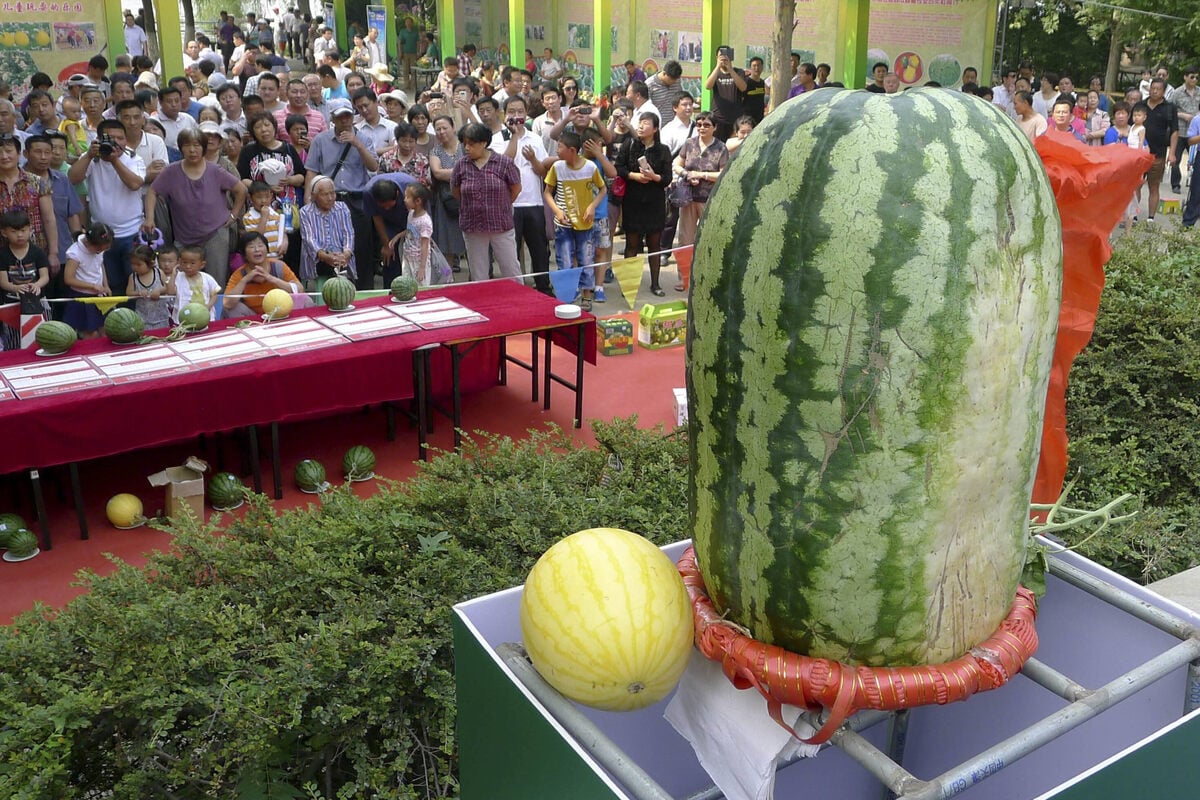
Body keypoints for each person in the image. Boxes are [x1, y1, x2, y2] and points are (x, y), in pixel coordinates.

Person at [147, 128, 246, 284]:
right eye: (187, 145)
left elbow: (241, 190)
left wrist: (233, 215)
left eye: (197, 145)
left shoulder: (215, 171)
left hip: (215, 234)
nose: (192, 150)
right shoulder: (171, 171)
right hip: (184, 237)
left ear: (204, 148)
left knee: (216, 282)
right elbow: (152, 191)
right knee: (182, 281)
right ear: (180, 148)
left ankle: (217, 309)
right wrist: (150, 219)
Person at [305, 100, 381, 289]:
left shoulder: (364, 138)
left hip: (357, 198)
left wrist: (357, 144)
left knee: (361, 246)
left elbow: (373, 166)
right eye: (340, 117)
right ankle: (333, 289)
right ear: (332, 118)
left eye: (348, 116)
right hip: (330, 198)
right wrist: (308, 199)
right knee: (329, 244)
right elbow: (312, 171)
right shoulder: (321, 140)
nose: (345, 121)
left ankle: (364, 289)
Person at [67, 119, 146, 292]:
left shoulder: (134, 158)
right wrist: (88, 155)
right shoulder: (91, 158)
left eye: (121, 138)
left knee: (135, 280)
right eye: (111, 138)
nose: (116, 143)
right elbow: (72, 179)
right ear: (99, 138)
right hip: (101, 234)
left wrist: (114, 160)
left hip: (131, 232)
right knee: (110, 282)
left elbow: (135, 184)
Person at [493, 96, 552, 294]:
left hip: (533, 201)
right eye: (512, 111)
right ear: (504, 114)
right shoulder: (498, 138)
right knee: (511, 250)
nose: (516, 116)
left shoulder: (535, 138)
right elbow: (503, 165)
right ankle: (513, 290)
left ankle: (543, 286)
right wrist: (515, 137)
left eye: (520, 111)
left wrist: (533, 159)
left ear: (526, 113)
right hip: (509, 204)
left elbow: (544, 172)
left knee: (539, 249)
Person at [451, 122, 521, 282]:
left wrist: (501, 205)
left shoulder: (504, 163)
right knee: (478, 271)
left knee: (510, 267)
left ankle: (519, 300)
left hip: (500, 225)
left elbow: (516, 188)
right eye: (464, 143)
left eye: (471, 144)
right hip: (473, 225)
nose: (467, 148)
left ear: (484, 143)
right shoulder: (461, 165)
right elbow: (456, 191)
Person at [543, 131, 605, 309]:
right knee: (565, 261)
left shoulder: (590, 168)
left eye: (560, 147)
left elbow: (602, 190)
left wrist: (592, 206)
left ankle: (586, 294)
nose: (557, 150)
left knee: (586, 259)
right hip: (563, 224)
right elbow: (548, 192)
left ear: (572, 150)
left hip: (585, 224)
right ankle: (566, 296)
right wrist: (557, 211)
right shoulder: (557, 167)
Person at [615, 112, 671, 296]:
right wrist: (634, 176)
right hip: (633, 201)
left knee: (654, 245)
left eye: (646, 123)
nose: (640, 126)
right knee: (632, 245)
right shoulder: (629, 145)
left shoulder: (663, 150)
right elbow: (619, 168)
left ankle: (655, 284)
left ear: (655, 129)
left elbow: (667, 178)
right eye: (640, 123)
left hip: (654, 203)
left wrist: (654, 177)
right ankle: (628, 285)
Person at [672, 111, 728, 292]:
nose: (702, 128)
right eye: (699, 124)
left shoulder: (721, 148)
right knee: (685, 240)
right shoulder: (689, 144)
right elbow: (677, 164)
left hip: (709, 200)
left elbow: (723, 173)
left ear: (715, 127)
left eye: (706, 125)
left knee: (708, 239)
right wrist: (687, 174)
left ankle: (707, 277)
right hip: (688, 198)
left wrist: (702, 175)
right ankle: (684, 278)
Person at [0, 135, 59, 276]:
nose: (4, 156)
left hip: (34, 252)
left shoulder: (36, 182)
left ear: (19, 154)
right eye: (0, 152)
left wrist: (53, 253)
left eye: (9, 151)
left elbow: (49, 219)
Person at [0, 209, 50, 349]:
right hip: (12, 304)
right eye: (14, 232)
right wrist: (15, 288)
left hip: (38, 301)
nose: (20, 235)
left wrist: (37, 285)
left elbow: (45, 276)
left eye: (23, 230)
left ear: (30, 229)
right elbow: (3, 282)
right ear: (4, 233)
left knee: (42, 337)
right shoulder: (3, 255)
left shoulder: (37, 252)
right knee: (14, 341)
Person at [223, 232, 302, 317]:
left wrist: (271, 278)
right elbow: (227, 304)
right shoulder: (239, 274)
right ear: (244, 254)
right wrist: (245, 280)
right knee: (233, 309)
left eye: (260, 245)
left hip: (281, 312)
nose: (257, 249)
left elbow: (300, 289)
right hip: (252, 316)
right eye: (251, 247)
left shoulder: (279, 266)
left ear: (267, 250)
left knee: (306, 300)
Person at [364, 172, 418, 285]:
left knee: (414, 256)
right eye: (383, 207)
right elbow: (377, 218)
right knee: (390, 256)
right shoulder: (368, 192)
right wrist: (386, 245)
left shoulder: (411, 188)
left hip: (412, 220)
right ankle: (390, 289)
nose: (387, 209)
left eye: (389, 205)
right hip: (387, 224)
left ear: (398, 195)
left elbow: (420, 219)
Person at [299, 175, 355, 285]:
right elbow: (308, 239)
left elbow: (348, 233)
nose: (330, 198)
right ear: (314, 196)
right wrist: (324, 256)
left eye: (332, 193)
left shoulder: (342, 208)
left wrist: (346, 253)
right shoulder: (305, 212)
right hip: (317, 259)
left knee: (343, 280)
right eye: (325, 194)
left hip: (341, 257)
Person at [427, 114, 466, 273]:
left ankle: (478, 280)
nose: (442, 132)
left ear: (453, 127)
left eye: (445, 128)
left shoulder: (465, 146)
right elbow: (437, 173)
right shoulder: (435, 151)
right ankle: (447, 281)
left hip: (469, 199)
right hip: (446, 201)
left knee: (473, 243)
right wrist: (464, 171)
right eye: (438, 129)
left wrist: (449, 172)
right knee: (446, 245)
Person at [62, 222, 114, 337]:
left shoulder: (99, 249)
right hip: (82, 297)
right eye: (99, 249)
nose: (100, 251)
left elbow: (100, 265)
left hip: (99, 295)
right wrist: (91, 286)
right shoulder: (74, 253)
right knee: (91, 334)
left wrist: (106, 285)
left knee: (106, 330)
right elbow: (68, 279)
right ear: (90, 242)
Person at [1141, 78, 1178, 224]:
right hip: (1139, 154)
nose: (1154, 91)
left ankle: (1150, 217)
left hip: (1159, 153)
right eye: (1152, 88)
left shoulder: (1170, 108)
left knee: (1154, 185)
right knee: (1135, 184)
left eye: (1158, 89)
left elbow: (1175, 131)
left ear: (1164, 91)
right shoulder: (1141, 105)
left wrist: (1173, 153)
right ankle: (1134, 216)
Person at [398, 182, 437, 284]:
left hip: (418, 260)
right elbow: (410, 230)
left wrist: (422, 267)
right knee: (407, 284)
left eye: (407, 197)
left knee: (420, 287)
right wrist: (397, 237)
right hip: (408, 257)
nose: (404, 200)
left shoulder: (425, 221)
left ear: (418, 201)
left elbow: (425, 245)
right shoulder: (411, 214)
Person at [126, 244, 171, 329]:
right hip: (142, 320)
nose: (135, 267)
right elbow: (128, 292)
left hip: (161, 319)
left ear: (151, 263)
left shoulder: (159, 273)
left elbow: (168, 288)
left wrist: (159, 290)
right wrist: (138, 293)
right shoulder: (133, 277)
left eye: (138, 265)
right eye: (132, 264)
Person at [172, 244, 220, 322]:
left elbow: (214, 294)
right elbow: (170, 292)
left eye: (192, 263)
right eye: (184, 262)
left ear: (202, 264)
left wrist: (209, 306)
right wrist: (173, 275)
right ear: (180, 262)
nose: (188, 266)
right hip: (184, 316)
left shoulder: (207, 278)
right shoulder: (178, 277)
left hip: (204, 315)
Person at [706, 46, 746, 140]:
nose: (724, 58)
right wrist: (718, 66)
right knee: (717, 146)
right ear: (717, 57)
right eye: (721, 56)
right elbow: (708, 86)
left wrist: (730, 69)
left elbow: (743, 87)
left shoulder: (738, 72)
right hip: (718, 118)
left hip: (735, 118)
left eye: (726, 55)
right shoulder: (715, 73)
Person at [242, 179, 288, 259]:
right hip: (260, 259)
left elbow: (283, 233)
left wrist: (285, 242)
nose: (263, 200)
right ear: (250, 198)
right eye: (259, 197)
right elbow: (256, 237)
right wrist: (264, 217)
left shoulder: (275, 214)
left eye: (267, 197)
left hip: (277, 257)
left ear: (271, 196)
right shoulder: (248, 217)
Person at [1170, 67, 1199, 192]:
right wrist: (1182, 115)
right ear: (1185, 77)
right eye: (1192, 76)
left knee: (1196, 159)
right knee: (1176, 159)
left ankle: (1195, 184)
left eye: (1197, 77)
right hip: (1181, 130)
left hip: (1196, 132)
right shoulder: (1177, 92)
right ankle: (1176, 184)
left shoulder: (1199, 91)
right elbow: (1170, 110)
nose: (1195, 79)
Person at [742, 57, 766, 124]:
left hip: (759, 118)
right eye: (754, 65)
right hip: (747, 118)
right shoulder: (746, 82)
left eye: (758, 65)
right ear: (750, 68)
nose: (756, 68)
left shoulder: (762, 82)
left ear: (762, 67)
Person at [398, 17, 420, 86]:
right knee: (405, 70)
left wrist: (418, 51)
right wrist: (400, 52)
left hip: (413, 53)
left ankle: (413, 84)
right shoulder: (402, 31)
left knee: (413, 70)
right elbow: (400, 43)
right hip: (405, 53)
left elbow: (418, 43)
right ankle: (406, 84)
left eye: (409, 22)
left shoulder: (415, 32)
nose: (408, 23)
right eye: (407, 22)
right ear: (405, 23)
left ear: (412, 23)